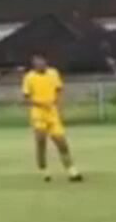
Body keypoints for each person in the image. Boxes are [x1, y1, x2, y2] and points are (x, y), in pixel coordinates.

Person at [21, 55, 83, 183]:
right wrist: (40, 104)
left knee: (62, 143)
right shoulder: (29, 77)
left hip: (52, 114)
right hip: (38, 113)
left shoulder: (53, 73)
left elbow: (59, 90)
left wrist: (59, 108)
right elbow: (26, 98)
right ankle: (44, 170)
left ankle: (72, 171)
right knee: (41, 140)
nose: (41, 65)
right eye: (38, 64)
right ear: (34, 65)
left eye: (43, 62)